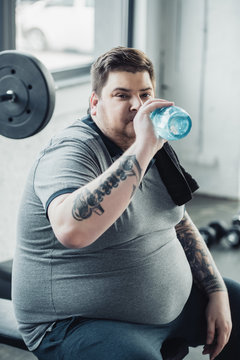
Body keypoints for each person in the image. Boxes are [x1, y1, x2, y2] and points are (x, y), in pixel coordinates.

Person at [12, 46, 240, 360]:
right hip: (76, 324)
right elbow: (72, 230)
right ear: (95, 103)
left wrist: (216, 290)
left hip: (172, 308)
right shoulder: (71, 151)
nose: (138, 106)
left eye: (145, 95)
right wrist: (144, 147)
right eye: (122, 95)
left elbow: (178, 221)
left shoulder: (151, 145)